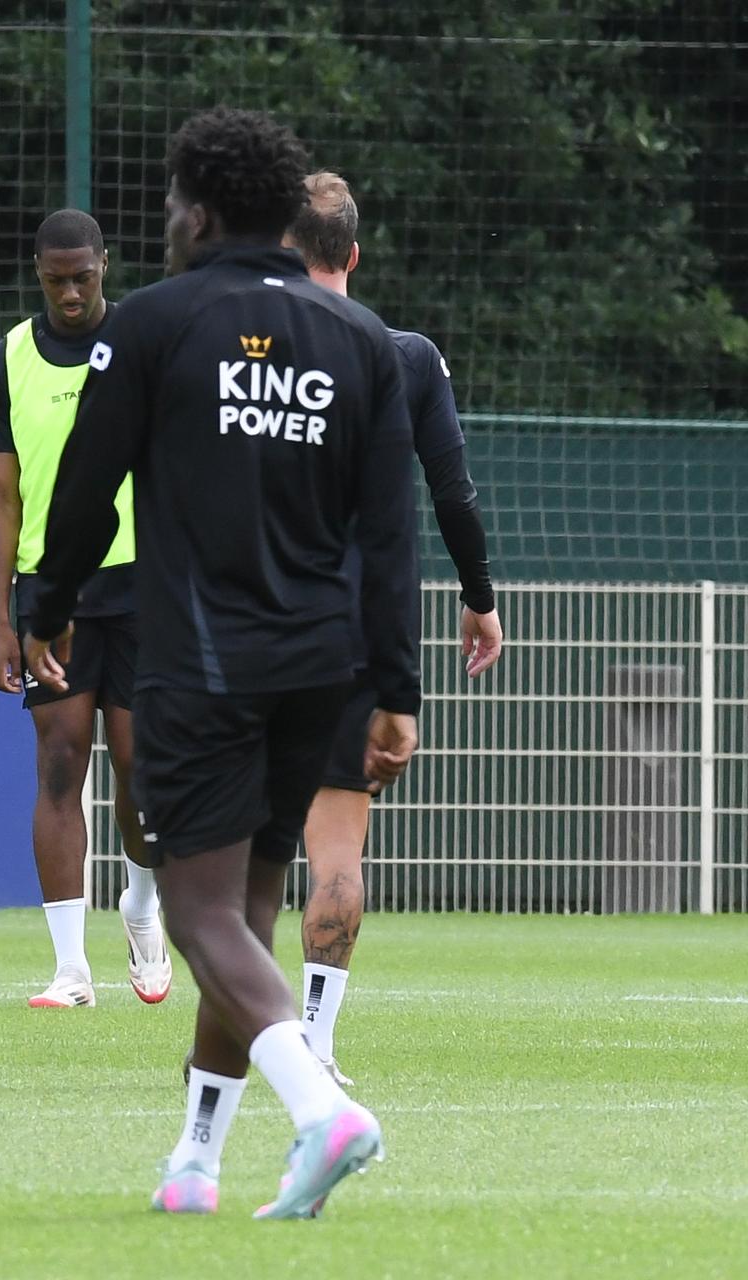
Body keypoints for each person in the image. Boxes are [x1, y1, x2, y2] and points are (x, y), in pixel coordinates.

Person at [24, 108, 422, 1219]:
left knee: (197, 913)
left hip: (200, 664)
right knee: (246, 907)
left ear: (198, 209)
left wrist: (44, 608)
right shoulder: (359, 341)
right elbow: (390, 536)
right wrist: (398, 690)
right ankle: (196, 1159)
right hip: (322, 670)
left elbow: (84, 490)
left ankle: (321, 1110)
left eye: (167, 201)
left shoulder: (152, 324)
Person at [284, 171, 504, 1086]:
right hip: (360, 635)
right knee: (336, 854)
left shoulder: (240, 352)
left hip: (245, 626)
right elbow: (451, 492)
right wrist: (480, 597)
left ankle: (233, 1038)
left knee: (238, 853)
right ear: (355, 255)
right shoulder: (406, 355)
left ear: (282, 252)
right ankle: (317, 1048)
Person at [0, 208, 172, 1009]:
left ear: (105, 266)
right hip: (48, 591)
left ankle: (141, 908)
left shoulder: (145, 346)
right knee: (60, 762)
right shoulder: (8, 361)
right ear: (37, 272)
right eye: (54, 279)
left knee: (141, 768)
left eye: (82, 278)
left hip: (141, 582)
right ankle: (71, 969)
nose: (68, 292)